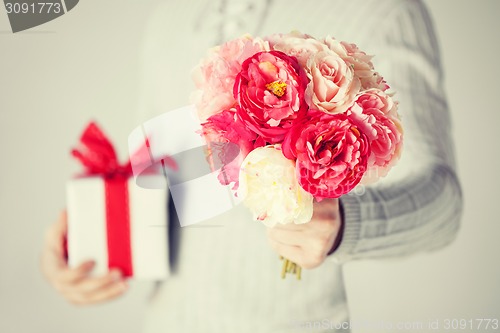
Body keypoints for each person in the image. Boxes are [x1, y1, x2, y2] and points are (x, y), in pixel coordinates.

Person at [41, 0, 463, 332]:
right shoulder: (169, 15)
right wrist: (90, 245)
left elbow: (443, 207)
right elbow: (162, 187)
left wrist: (346, 226)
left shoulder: (384, 10)